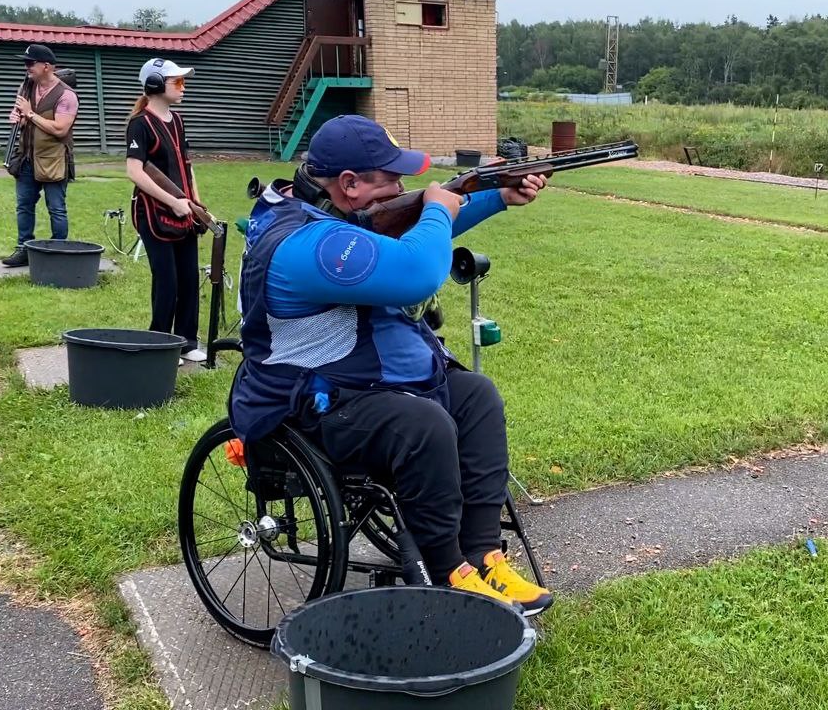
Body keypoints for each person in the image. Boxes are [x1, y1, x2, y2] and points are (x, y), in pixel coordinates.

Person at [231, 115, 553, 614]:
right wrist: (439, 207)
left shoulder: (334, 214)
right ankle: (447, 569)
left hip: (361, 380)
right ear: (349, 184)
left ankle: (483, 552)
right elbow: (414, 270)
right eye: (391, 179)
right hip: (310, 400)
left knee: (477, 397)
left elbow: (403, 231)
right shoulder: (306, 244)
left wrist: (498, 195)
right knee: (424, 425)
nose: (402, 188)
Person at [124, 58, 208, 364]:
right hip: (154, 213)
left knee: (188, 279)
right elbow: (135, 172)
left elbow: (187, 165)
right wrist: (172, 201)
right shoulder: (140, 124)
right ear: (156, 85)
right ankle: (160, 342)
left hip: (184, 212)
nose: (183, 88)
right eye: (178, 82)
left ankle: (187, 341)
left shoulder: (179, 120)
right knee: (167, 282)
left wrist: (196, 203)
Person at [2, 44, 78, 268]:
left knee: (56, 208)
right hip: (26, 158)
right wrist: (17, 117)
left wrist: (30, 114)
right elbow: (20, 116)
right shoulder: (26, 86)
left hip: (53, 160)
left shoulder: (67, 95)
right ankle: (23, 249)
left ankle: (58, 251)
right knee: (24, 206)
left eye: (30, 63)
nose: (26, 67)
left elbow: (60, 129)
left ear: (46, 66)